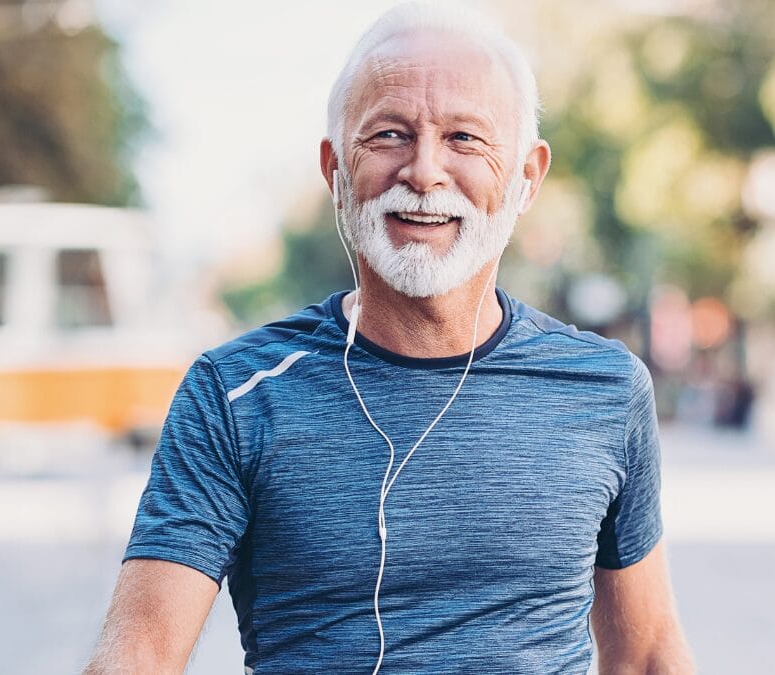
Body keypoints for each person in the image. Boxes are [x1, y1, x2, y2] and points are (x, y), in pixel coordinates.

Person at [84, 3, 694, 673]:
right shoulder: (234, 395)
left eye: (464, 138)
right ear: (334, 170)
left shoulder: (606, 387)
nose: (425, 171)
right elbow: (138, 654)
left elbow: (645, 655)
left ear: (526, 179)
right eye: (388, 135)